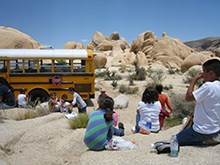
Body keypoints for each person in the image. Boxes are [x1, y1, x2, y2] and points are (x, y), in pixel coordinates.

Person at [176, 58, 220, 146]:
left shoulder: (208, 86)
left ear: (211, 73)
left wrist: (194, 79)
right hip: (215, 128)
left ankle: (204, 141)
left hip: (203, 131)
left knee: (176, 139)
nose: (202, 74)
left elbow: (188, 97)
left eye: (204, 71)